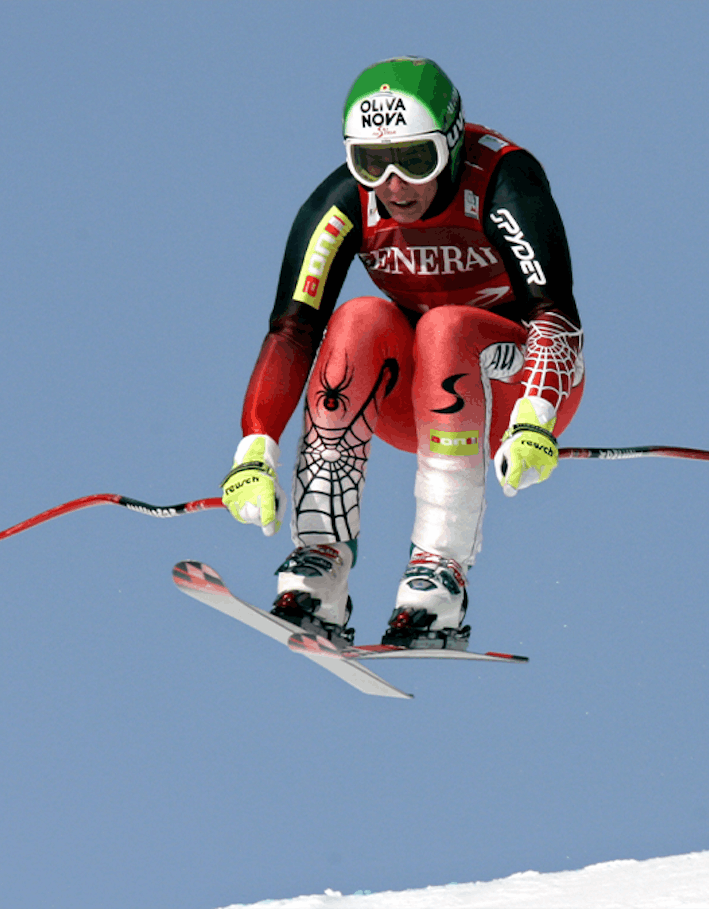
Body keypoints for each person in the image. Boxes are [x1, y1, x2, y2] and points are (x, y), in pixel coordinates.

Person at [219, 57, 583, 651]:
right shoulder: (346, 205)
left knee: (444, 326)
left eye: (417, 161)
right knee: (357, 317)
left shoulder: (501, 181)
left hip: (521, 384)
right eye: (370, 162)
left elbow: (558, 320)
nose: (393, 184)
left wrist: (536, 417)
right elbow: (291, 333)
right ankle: (319, 560)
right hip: (418, 403)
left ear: (453, 144)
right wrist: (255, 449)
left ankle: (439, 572)